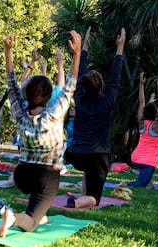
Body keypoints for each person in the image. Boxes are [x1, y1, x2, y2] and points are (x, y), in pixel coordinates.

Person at [0, 30, 81, 238]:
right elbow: (70, 86)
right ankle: (13, 218)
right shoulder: (53, 115)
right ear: (50, 96)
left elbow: (12, 84)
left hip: (22, 174)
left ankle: (36, 212)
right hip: (46, 176)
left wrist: (7, 51)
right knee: (31, 222)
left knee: (37, 205)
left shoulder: (20, 114)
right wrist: (77, 55)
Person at [65, 26, 126, 208]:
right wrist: (120, 47)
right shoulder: (107, 101)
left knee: (89, 169)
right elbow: (115, 77)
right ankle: (77, 202)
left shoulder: (80, 98)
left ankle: (83, 194)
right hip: (97, 156)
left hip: (75, 155)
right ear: (101, 87)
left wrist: (84, 47)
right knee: (95, 200)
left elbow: (79, 71)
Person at [124, 72, 158, 188]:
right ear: (156, 114)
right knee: (141, 184)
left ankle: (149, 183)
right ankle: (125, 185)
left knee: (146, 181)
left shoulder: (141, 122)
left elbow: (141, 102)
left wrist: (141, 85)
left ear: (145, 113)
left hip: (135, 158)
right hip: (148, 162)